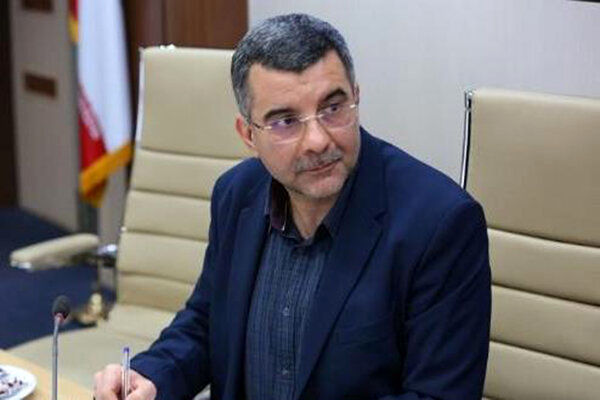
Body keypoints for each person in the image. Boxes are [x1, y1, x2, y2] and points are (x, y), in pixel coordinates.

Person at [94, 13, 491, 400]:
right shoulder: (236, 195)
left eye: (333, 108)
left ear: (356, 97)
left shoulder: (440, 224)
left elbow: (439, 394)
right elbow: (206, 323)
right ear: (248, 135)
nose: (318, 140)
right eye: (285, 121)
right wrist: (150, 378)